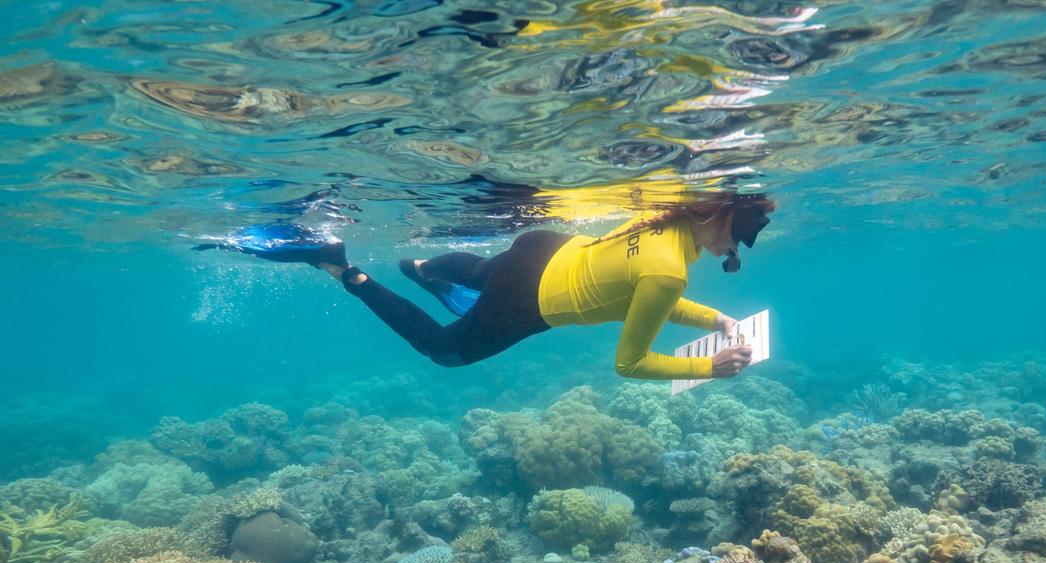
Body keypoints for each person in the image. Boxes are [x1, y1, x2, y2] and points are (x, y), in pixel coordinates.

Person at [197, 192, 774, 380]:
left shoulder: (665, 217)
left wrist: (716, 322)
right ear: (715, 216)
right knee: (445, 351)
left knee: (480, 273)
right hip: (532, 302)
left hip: (544, 248)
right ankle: (342, 268)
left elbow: (645, 291)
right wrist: (709, 367)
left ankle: (425, 269)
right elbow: (630, 362)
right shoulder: (670, 269)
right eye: (738, 235)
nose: (734, 249)